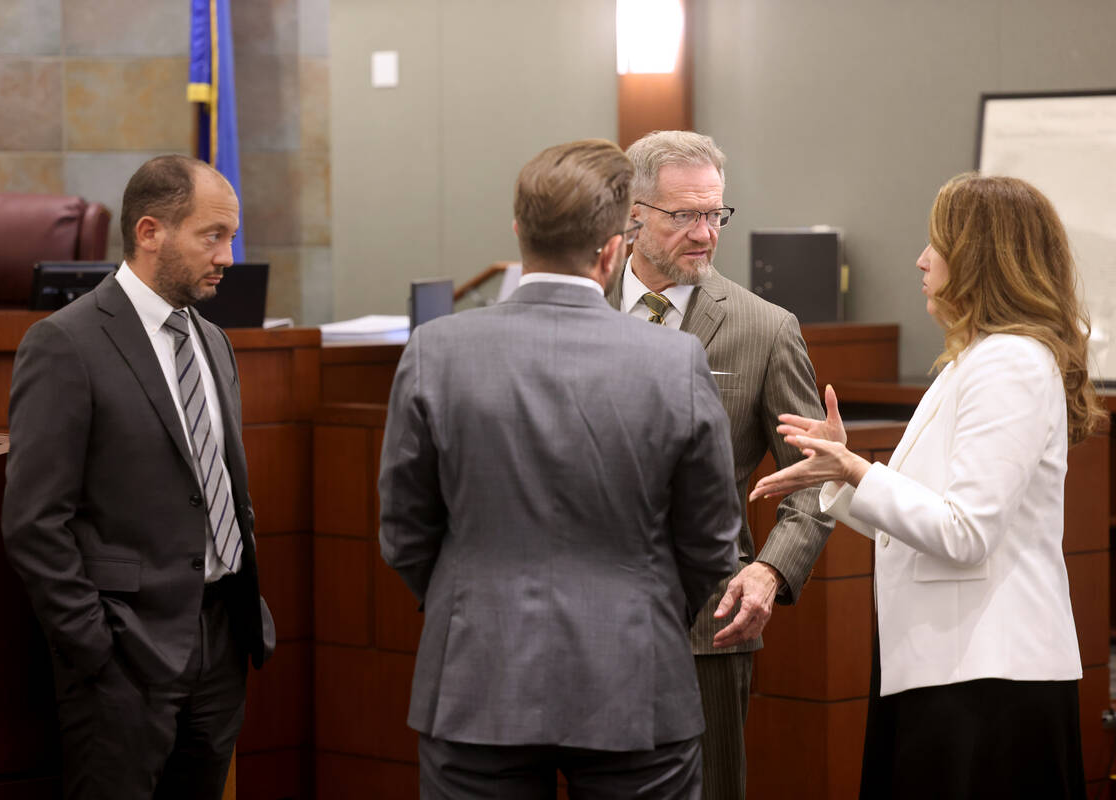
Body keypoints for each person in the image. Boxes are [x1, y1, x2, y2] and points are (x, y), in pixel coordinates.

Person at [378, 138, 743, 799]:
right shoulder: (674, 363)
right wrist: (647, 605)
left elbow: (404, 529)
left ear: (519, 231)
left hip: (475, 678)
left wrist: (470, 601)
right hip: (637, 680)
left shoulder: (436, 351)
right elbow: (712, 543)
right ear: (612, 248)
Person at [750, 173, 1101, 799]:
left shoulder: (1010, 363)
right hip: (953, 667)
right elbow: (929, 510)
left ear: (980, 257)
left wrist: (856, 469)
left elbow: (966, 532)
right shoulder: (978, 358)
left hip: (989, 681)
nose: (919, 259)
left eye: (935, 242)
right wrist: (844, 470)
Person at [2, 154, 275, 799]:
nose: (228, 256)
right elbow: (35, 522)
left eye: (230, 237)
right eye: (212, 236)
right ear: (150, 232)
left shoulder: (213, 340)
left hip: (220, 642)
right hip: (123, 658)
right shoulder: (65, 343)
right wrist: (94, 647)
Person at [607, 129, 833, 798]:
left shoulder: (765, 329)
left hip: (710, 623)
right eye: (685, 215)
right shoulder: (578, 310)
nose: (705, 232)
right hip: (581, 620)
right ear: (633, 213)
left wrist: (769, 571)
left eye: (716, 214)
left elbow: (815, 479)